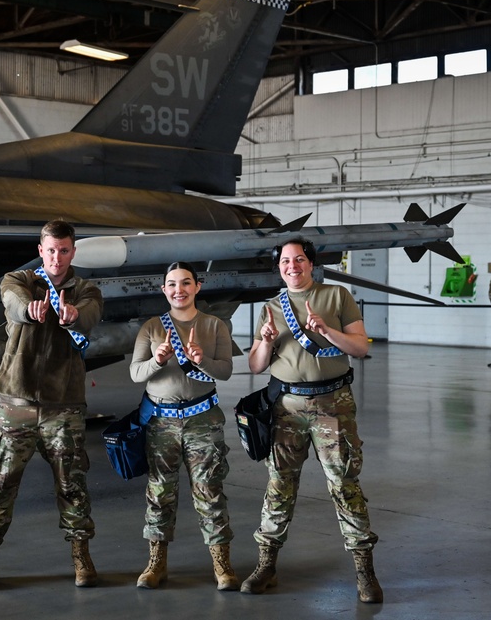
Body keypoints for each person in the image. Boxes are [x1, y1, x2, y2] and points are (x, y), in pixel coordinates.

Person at [0, 220, 103, 592]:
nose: (57, 258)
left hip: (64, 406)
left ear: (73, 252)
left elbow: (90, 313)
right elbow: (13, 302)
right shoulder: (18, 280)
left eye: (64, 250)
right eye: (51, 250)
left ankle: (81, 558)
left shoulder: (87, 289)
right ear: (41, 250)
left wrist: (74, 315)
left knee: (72, 485)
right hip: (15, 402)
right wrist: (30, 309)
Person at [243, 238, 382, 604]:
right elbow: (256, 366)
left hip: (332, 402)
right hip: (286, 407)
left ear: (311, 263)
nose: (293, 266)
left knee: (344, 484)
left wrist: (326, 331)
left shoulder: (337, 296)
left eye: (299, 259)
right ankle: (266, 565)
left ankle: (364, 572)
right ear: (279, 267)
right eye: (286, 261)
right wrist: (265, 343)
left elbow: (361, 347)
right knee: (279, 486)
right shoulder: (272, 307)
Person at [129, 262, 238, 591]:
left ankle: (222, 565)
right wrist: (157, 360)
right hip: (161, 421)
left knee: (210, 492)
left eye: (186, 283)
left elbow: (225, 371)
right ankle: (156, 563)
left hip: (202, 420)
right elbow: (136, 373)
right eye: (172, 284)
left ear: (197, 287)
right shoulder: (151, 327)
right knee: (160, 493)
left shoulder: (214, 325)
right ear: (164, 289)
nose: (180, 289)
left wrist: (200, 358)